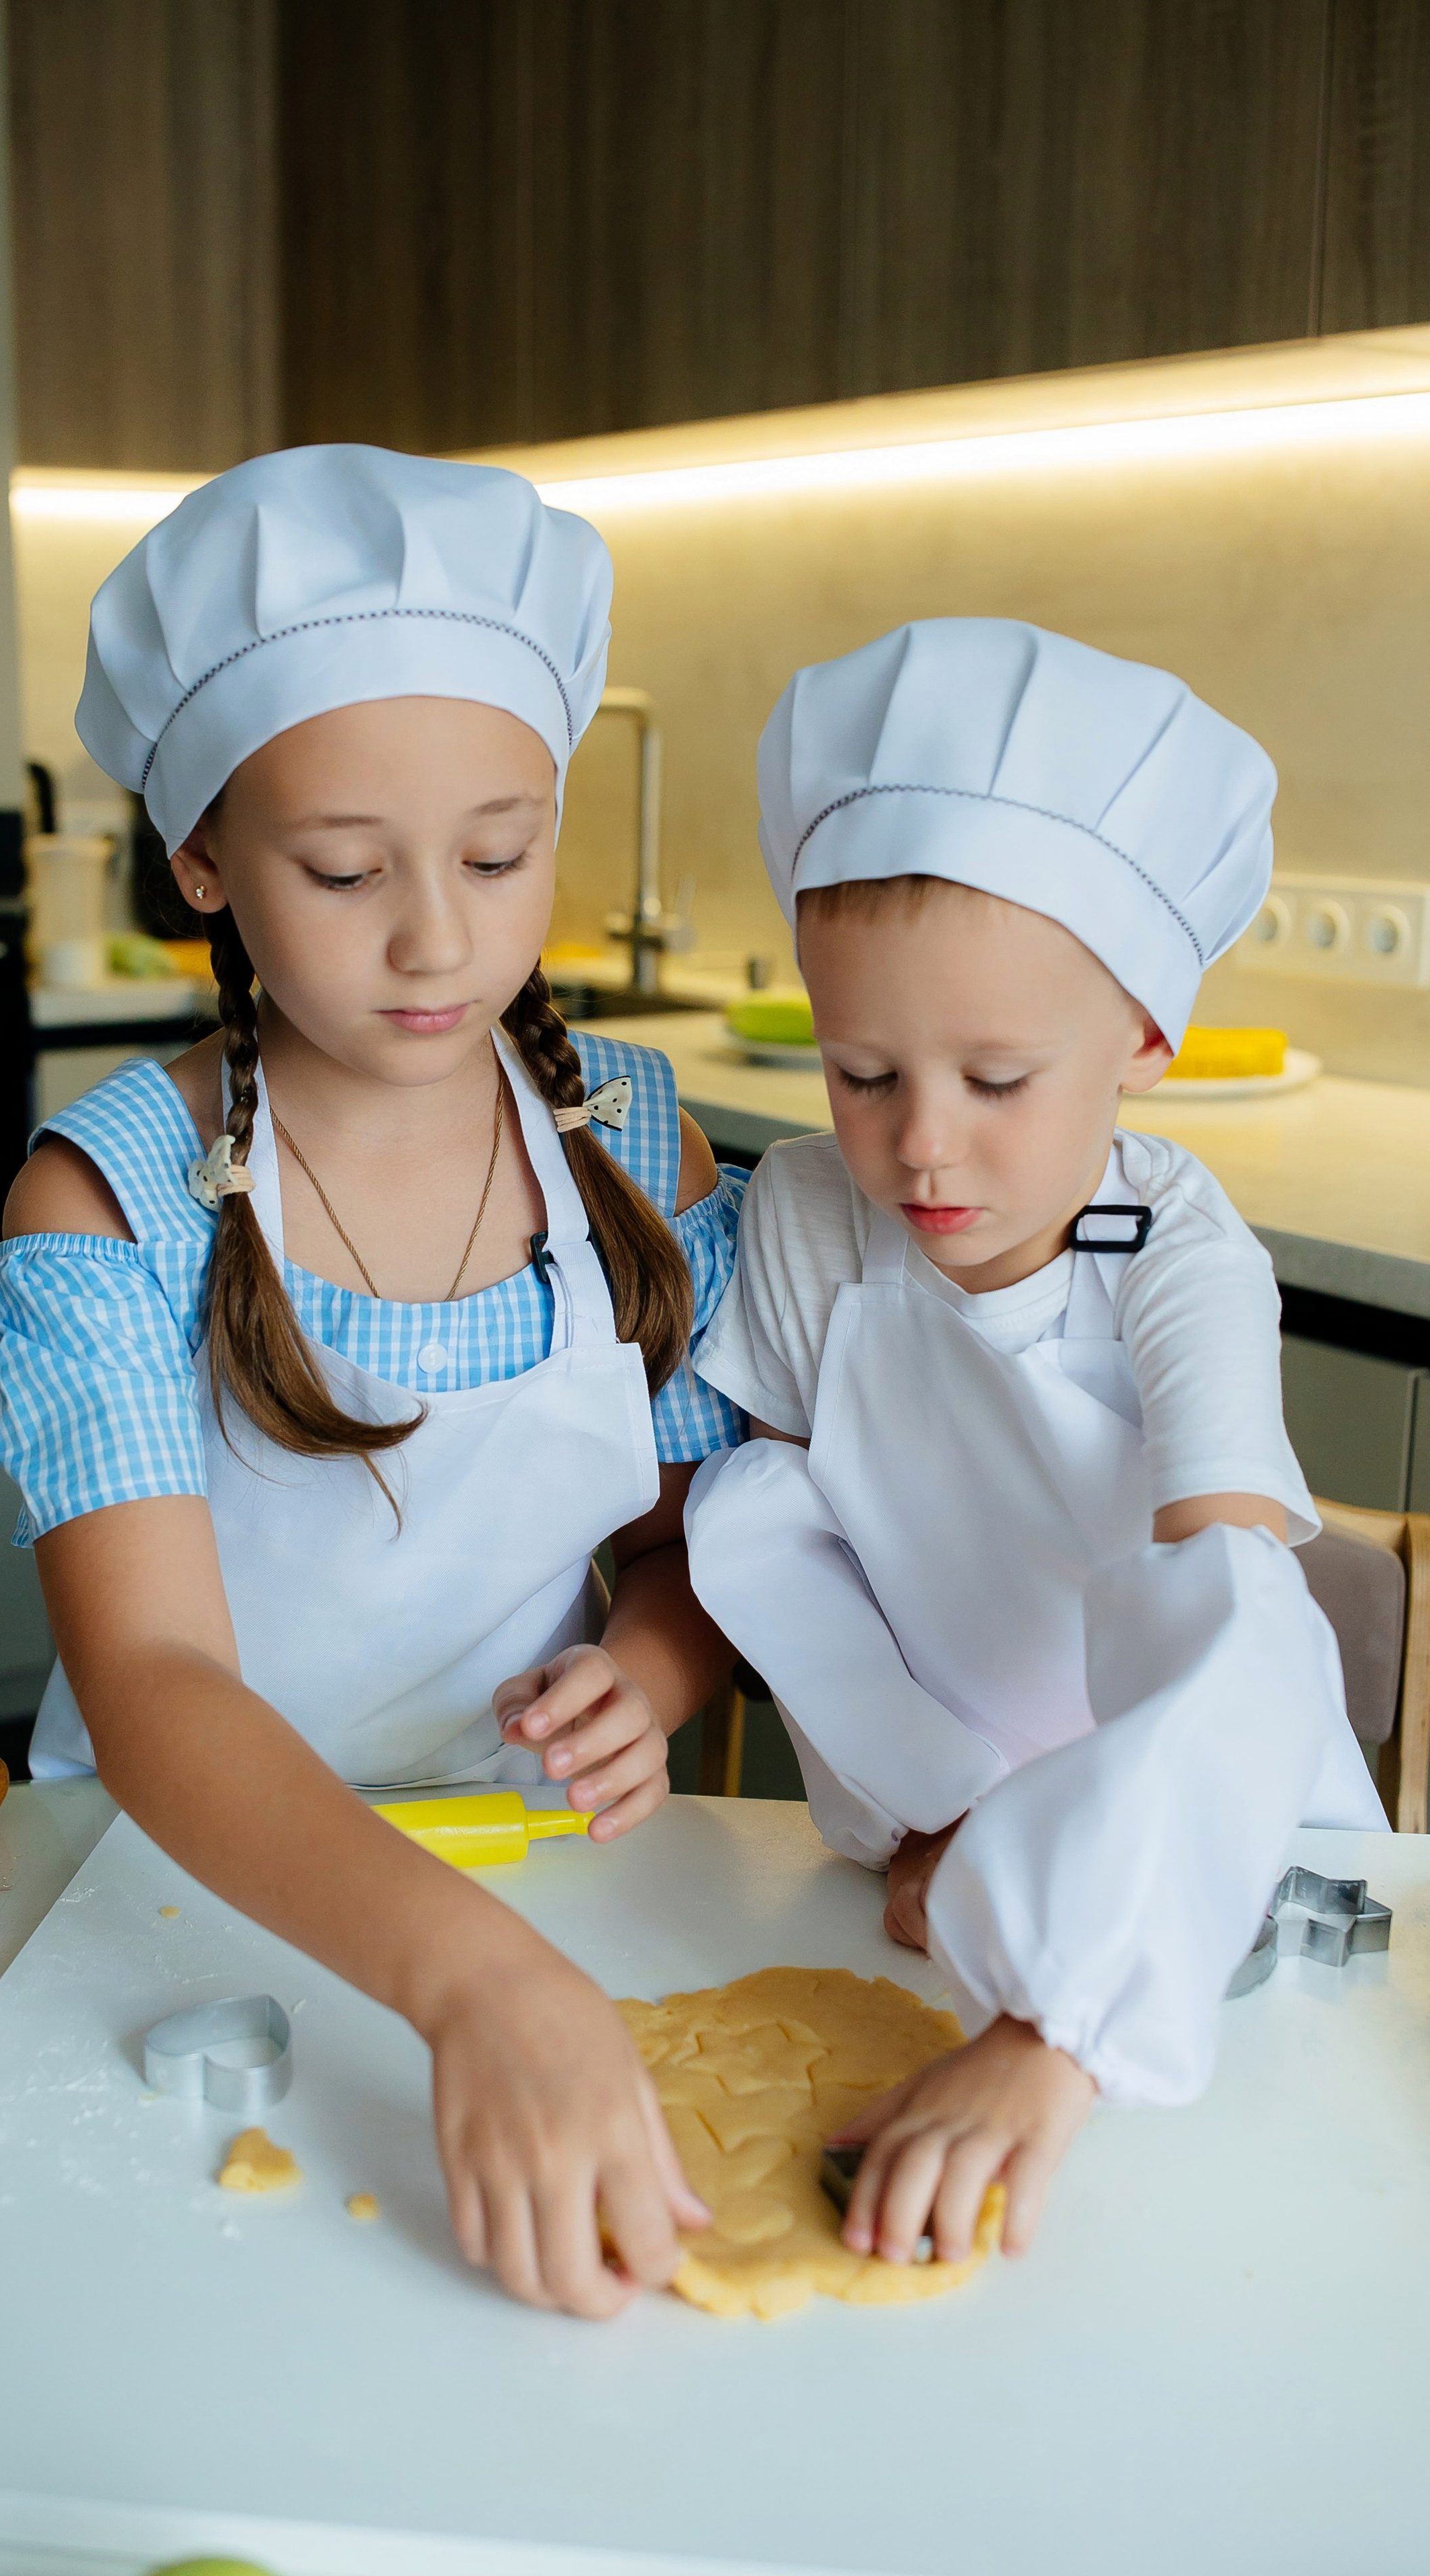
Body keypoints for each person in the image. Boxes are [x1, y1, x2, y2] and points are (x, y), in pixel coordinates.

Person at [0, 445, 748, 2318]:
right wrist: (466, 1978)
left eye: (501, 854)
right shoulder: (110, 1201)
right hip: (169, 1901)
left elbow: (697, 1538)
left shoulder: (639, 1140)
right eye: (343, 869)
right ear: (204, 861)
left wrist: (652, 1671)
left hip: (548, 1895)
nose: (440, 937)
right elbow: (155, 1684)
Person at [686, 618, 1385, 2271]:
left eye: (997, 1076)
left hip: (1205, 1877)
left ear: (1144, 1037)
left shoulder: (1182, 1262)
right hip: (927, 1871)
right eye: (860, 1072)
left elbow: (1230, 1618)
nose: (917, 1146)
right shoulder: (802, 1217)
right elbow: (779, 1546)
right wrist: (941, 1818)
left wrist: (1061, 2014)